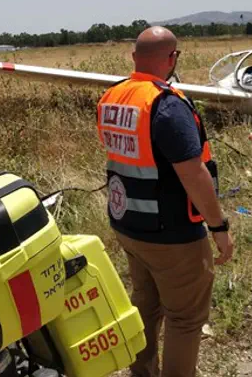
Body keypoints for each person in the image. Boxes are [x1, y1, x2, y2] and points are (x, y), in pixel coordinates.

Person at [96, 26, 234, 377]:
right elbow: (193, 173)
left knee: (145, 304)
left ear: (134, 58)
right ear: (172, 59)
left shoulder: (113, 96)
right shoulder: (166, 104)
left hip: (128, 222)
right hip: (170, 233)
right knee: (185, 319)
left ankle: (141, 372)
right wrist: (218, 226)